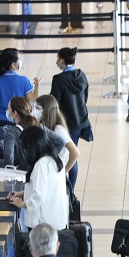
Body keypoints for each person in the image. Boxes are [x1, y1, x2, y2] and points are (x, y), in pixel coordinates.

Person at [9, 126, 69, 231]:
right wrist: (23, 193)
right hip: (55, 220)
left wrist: (22, 203)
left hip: (42, 224)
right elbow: (47, 188)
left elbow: (39, 195)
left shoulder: (41, 164)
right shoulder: (55, 159)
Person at [50, 47, 92, 188]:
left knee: (69, 155)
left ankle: (68, 189)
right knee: (73, 152)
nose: (57, 61)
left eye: (58, 59)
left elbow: (53, 103)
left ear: (61, 60)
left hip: (66, 124)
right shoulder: (82, 75)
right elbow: (85, 97)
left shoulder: (58, 79)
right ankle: (71, 188)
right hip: (81, 121)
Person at [3, 97, 78, 173]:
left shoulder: (12, 131)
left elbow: (8, 155)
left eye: (8, 109)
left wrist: (9, 172)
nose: (7, 111)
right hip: (42, 172)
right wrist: (46, 160)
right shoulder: (39, 126)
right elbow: (60, 142)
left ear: (15, 113)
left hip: (25, 173)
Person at [0, 48, 40, 129]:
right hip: (19, 120)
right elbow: (32, 101)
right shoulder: (24, 80)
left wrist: (3, 105)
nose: (21, 61)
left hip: (1, 121)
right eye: (20, 59)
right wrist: (37, 87)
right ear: (13, 64)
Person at [36, 94, 80, 177]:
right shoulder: (46, 126)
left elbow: (75, 153)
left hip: (57, 173)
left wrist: (64, 172)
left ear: (46, 110)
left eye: (38, 108)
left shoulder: (59, 130)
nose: (35, 111)